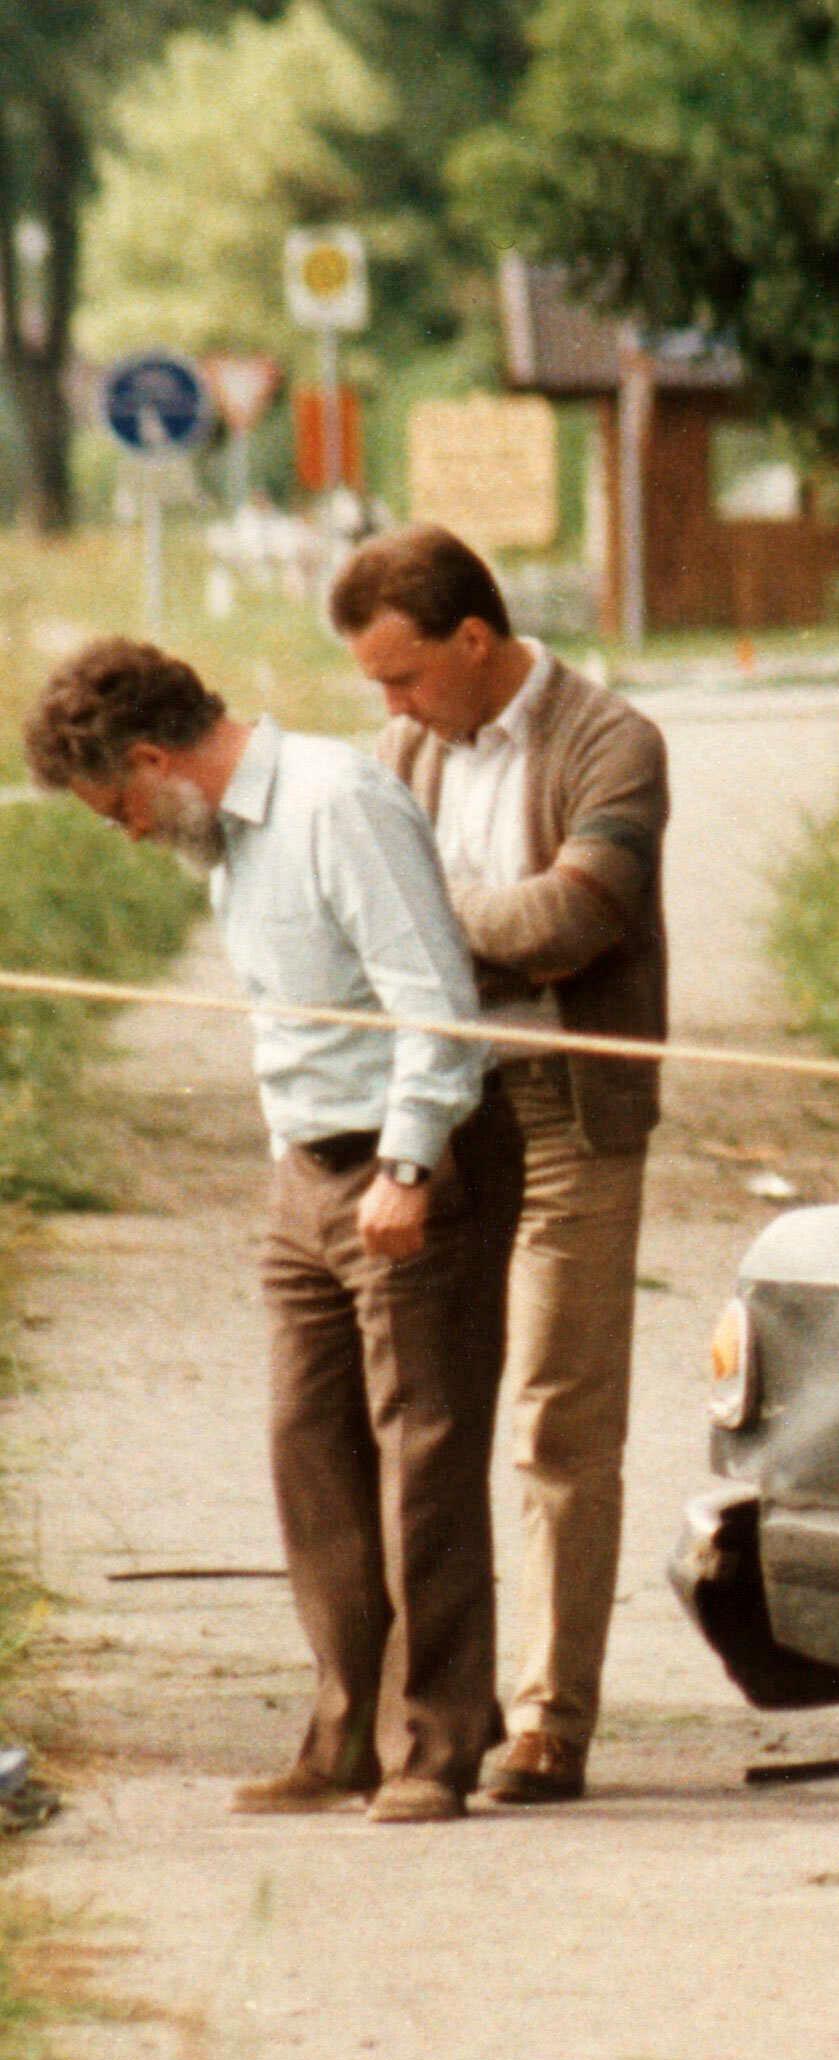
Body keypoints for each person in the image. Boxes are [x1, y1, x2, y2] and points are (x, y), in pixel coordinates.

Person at [23, 639, 518, 1824]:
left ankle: (435, 1746)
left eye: (119, 810)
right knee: (309, 1447)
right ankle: (345, 1735)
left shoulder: (338, 803)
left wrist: (408, 1166)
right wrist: (291, 1165)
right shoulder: (228, 844)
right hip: (306, 1175)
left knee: (423, 1458)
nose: (129, 835)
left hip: (408, 1164)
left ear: (154, 760)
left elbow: (434, 999)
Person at [330, 527, 670, 1807]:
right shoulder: (401, 752)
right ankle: (434, 1714)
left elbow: (573, 920)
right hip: (442, 1104)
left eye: (403, 676)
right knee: (430, 1409)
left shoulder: (614, 741)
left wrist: (418, 917)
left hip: (572, 1107)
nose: (391, 705)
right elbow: (394, 927)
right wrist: (456, 926)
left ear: (474, 640)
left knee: (557, 1414)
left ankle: (550, 1718)